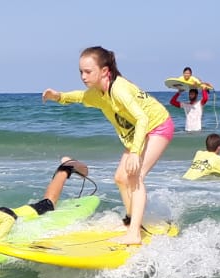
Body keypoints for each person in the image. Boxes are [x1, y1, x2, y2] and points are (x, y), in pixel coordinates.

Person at [42, 46, 173, 245]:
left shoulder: (119, 89)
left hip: (156, 127)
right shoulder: (98, 94)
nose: (83, 76)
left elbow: (142, 118)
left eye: (88, 71)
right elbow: (79, 96)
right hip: (137, 134)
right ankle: (131, 222)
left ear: (104, 71)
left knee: (135, 177)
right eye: (81, 72)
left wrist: (136, 152)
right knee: (121, 178)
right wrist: (58, 96)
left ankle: (135, 233)